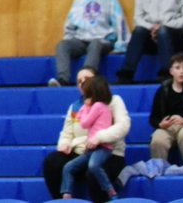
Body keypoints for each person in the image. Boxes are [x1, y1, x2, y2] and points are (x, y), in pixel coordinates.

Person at [41, 66, 130, 202]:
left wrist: (99, 137)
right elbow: (66, 132)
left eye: (87, 79)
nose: (82, 83)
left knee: (93, 171)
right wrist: (64, 144)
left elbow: (123, 126)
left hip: (108, 153)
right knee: (52, 162)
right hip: (82, 153)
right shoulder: (76, 106)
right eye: (79, 81)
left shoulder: (114, 100)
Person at [49, 0, 129, 87]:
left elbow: (120, 22)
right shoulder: (78, 1)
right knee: (62, 45)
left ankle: (87, 75)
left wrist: (121, 44)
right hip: (81, 40)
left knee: (95, 44)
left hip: (102, 40)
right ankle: (63, 79)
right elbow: (70, 25)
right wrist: (69, 39)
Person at [59, 76, 117, 200]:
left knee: (93, 166)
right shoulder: (96, 107)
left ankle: (110, 189)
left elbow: (84, 123)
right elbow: (82, 119)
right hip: (91, 148)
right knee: (68, 167)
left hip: (102, 147)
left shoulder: (98, 106)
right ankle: (66, 194)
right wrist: (85, 108)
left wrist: (85, 108)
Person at [148, 52, 183, 172]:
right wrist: (160, 124)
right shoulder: (163, 91)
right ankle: (158, 171)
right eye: (177, 68)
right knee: (158, 139)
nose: (181, 71)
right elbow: (153, 118)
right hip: (168, 127)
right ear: (171, 71)